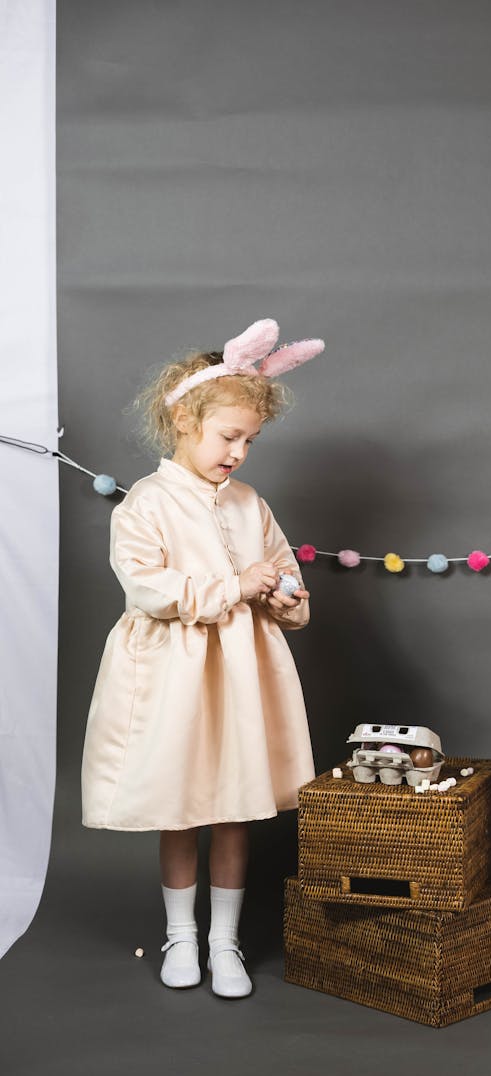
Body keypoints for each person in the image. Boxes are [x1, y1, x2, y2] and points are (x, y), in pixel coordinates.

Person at [81, 318, 324, 998]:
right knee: (183, 805)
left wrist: (281, 594)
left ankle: (225, 939)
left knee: (235, 806)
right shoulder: (145, 503)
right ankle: (181, 934)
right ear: (185, 418)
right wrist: (232, 586)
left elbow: (284, 574)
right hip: (176, 678)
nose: (239, 452)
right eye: (228, 436)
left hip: (243, 677)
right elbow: (147, 588)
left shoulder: (251, 503)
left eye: (250, 439)